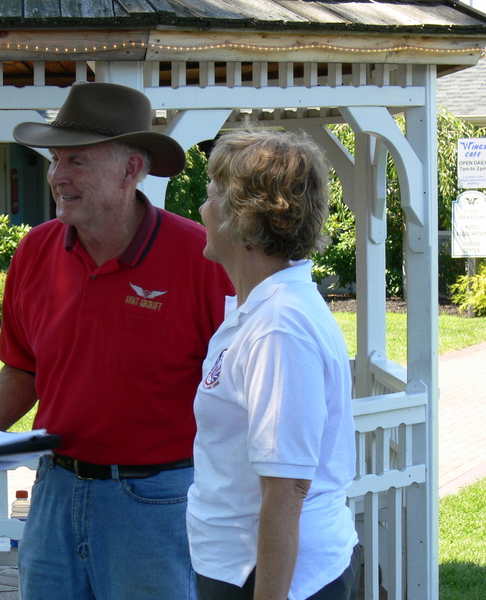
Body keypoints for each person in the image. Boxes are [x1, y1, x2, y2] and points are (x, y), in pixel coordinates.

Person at [0, 81, 234, 600]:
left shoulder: (201, 259)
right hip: (54, 494)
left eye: (77, 161)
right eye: (55, 160)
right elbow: (24, 367)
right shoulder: (35, 251)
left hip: (157, 502)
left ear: (131, 169)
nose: (58, 176)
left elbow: (236, 389)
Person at [186, 128, 361, 600]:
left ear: (243, 216)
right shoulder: (263, 312)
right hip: (239, 567)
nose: (201, 210)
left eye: (212, 196)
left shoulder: (279, 328)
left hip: (272, 578)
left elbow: (287, 488)